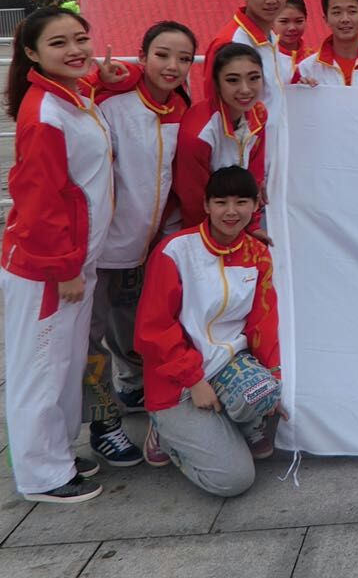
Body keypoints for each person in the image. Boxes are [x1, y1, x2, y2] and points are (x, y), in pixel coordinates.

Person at [0, 7, 132, 503]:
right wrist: (64, 270)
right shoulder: (45, 115)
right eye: (59, 43)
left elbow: (98, 80)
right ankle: (42, 476)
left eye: (80, 38)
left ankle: (55, 454)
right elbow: (41, 203)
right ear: (32, 54)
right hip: (48, 270)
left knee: (64, 365)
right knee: (43, 370)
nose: (75, 50)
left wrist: (108, 77)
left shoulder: (71, 95)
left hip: (75, 261)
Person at [83, 21, 196, 468]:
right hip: (97, 249)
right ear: (142, 55)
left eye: (183, 58)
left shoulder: (181, 109)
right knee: (89, 342)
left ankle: (130, 389)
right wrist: (101, 79)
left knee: (131, 333)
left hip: (144, 248)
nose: (172, 66)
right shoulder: (112, 103)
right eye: (162, 55)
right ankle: (102, 424)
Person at [136, 166, 284, 496]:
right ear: (206, 205)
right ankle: (165, 432)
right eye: (221, 202)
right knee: (234, 481)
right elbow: (153, 329)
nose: (231, 212)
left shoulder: (257, 254)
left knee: (265, 392)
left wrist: (274, 375)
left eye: (241, 202)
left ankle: (228, 424)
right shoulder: (175, 251)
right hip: (178, 381)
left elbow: (262, 321)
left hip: (227, 365)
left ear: (255, 205)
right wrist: (194, 381)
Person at [168, 43, 267, 232]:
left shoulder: (259, 114)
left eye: (254, 78)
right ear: (217, 84)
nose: (245, 89)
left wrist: (252, 225)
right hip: (193, 228)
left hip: (234, 221)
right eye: (232, 80)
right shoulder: (199, 132)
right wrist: (220, 239)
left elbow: (255, 174)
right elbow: (193, 200)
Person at [203, 0, 293, 126]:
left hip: (273, 141)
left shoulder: (272, 37)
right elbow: (215, 108)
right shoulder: (230, 41)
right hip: (245, 143)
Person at [273, 0, 311, 67]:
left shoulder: (314, 59)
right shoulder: (263, 57)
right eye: (284, 21)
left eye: (299, 21)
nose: (292, 28)